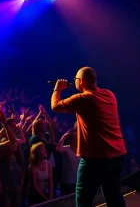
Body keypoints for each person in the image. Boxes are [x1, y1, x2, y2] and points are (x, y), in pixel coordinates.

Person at [51, 67, 126, 207]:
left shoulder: (83, 98)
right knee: (114, 196)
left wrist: (57, 89)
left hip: (95, 159)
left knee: (83, 200)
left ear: (82, 81)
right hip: (117, 155)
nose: (74, 82)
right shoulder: (109, 94)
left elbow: (55, 106)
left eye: (75, 79)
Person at [56, 129, 80, 196]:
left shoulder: (81, 149)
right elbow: (58, 149)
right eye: (74, 136)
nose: (76, 138)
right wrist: (64, 136)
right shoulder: (66, 149)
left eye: (77, 136)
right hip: (67, 183)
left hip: (78, 181)